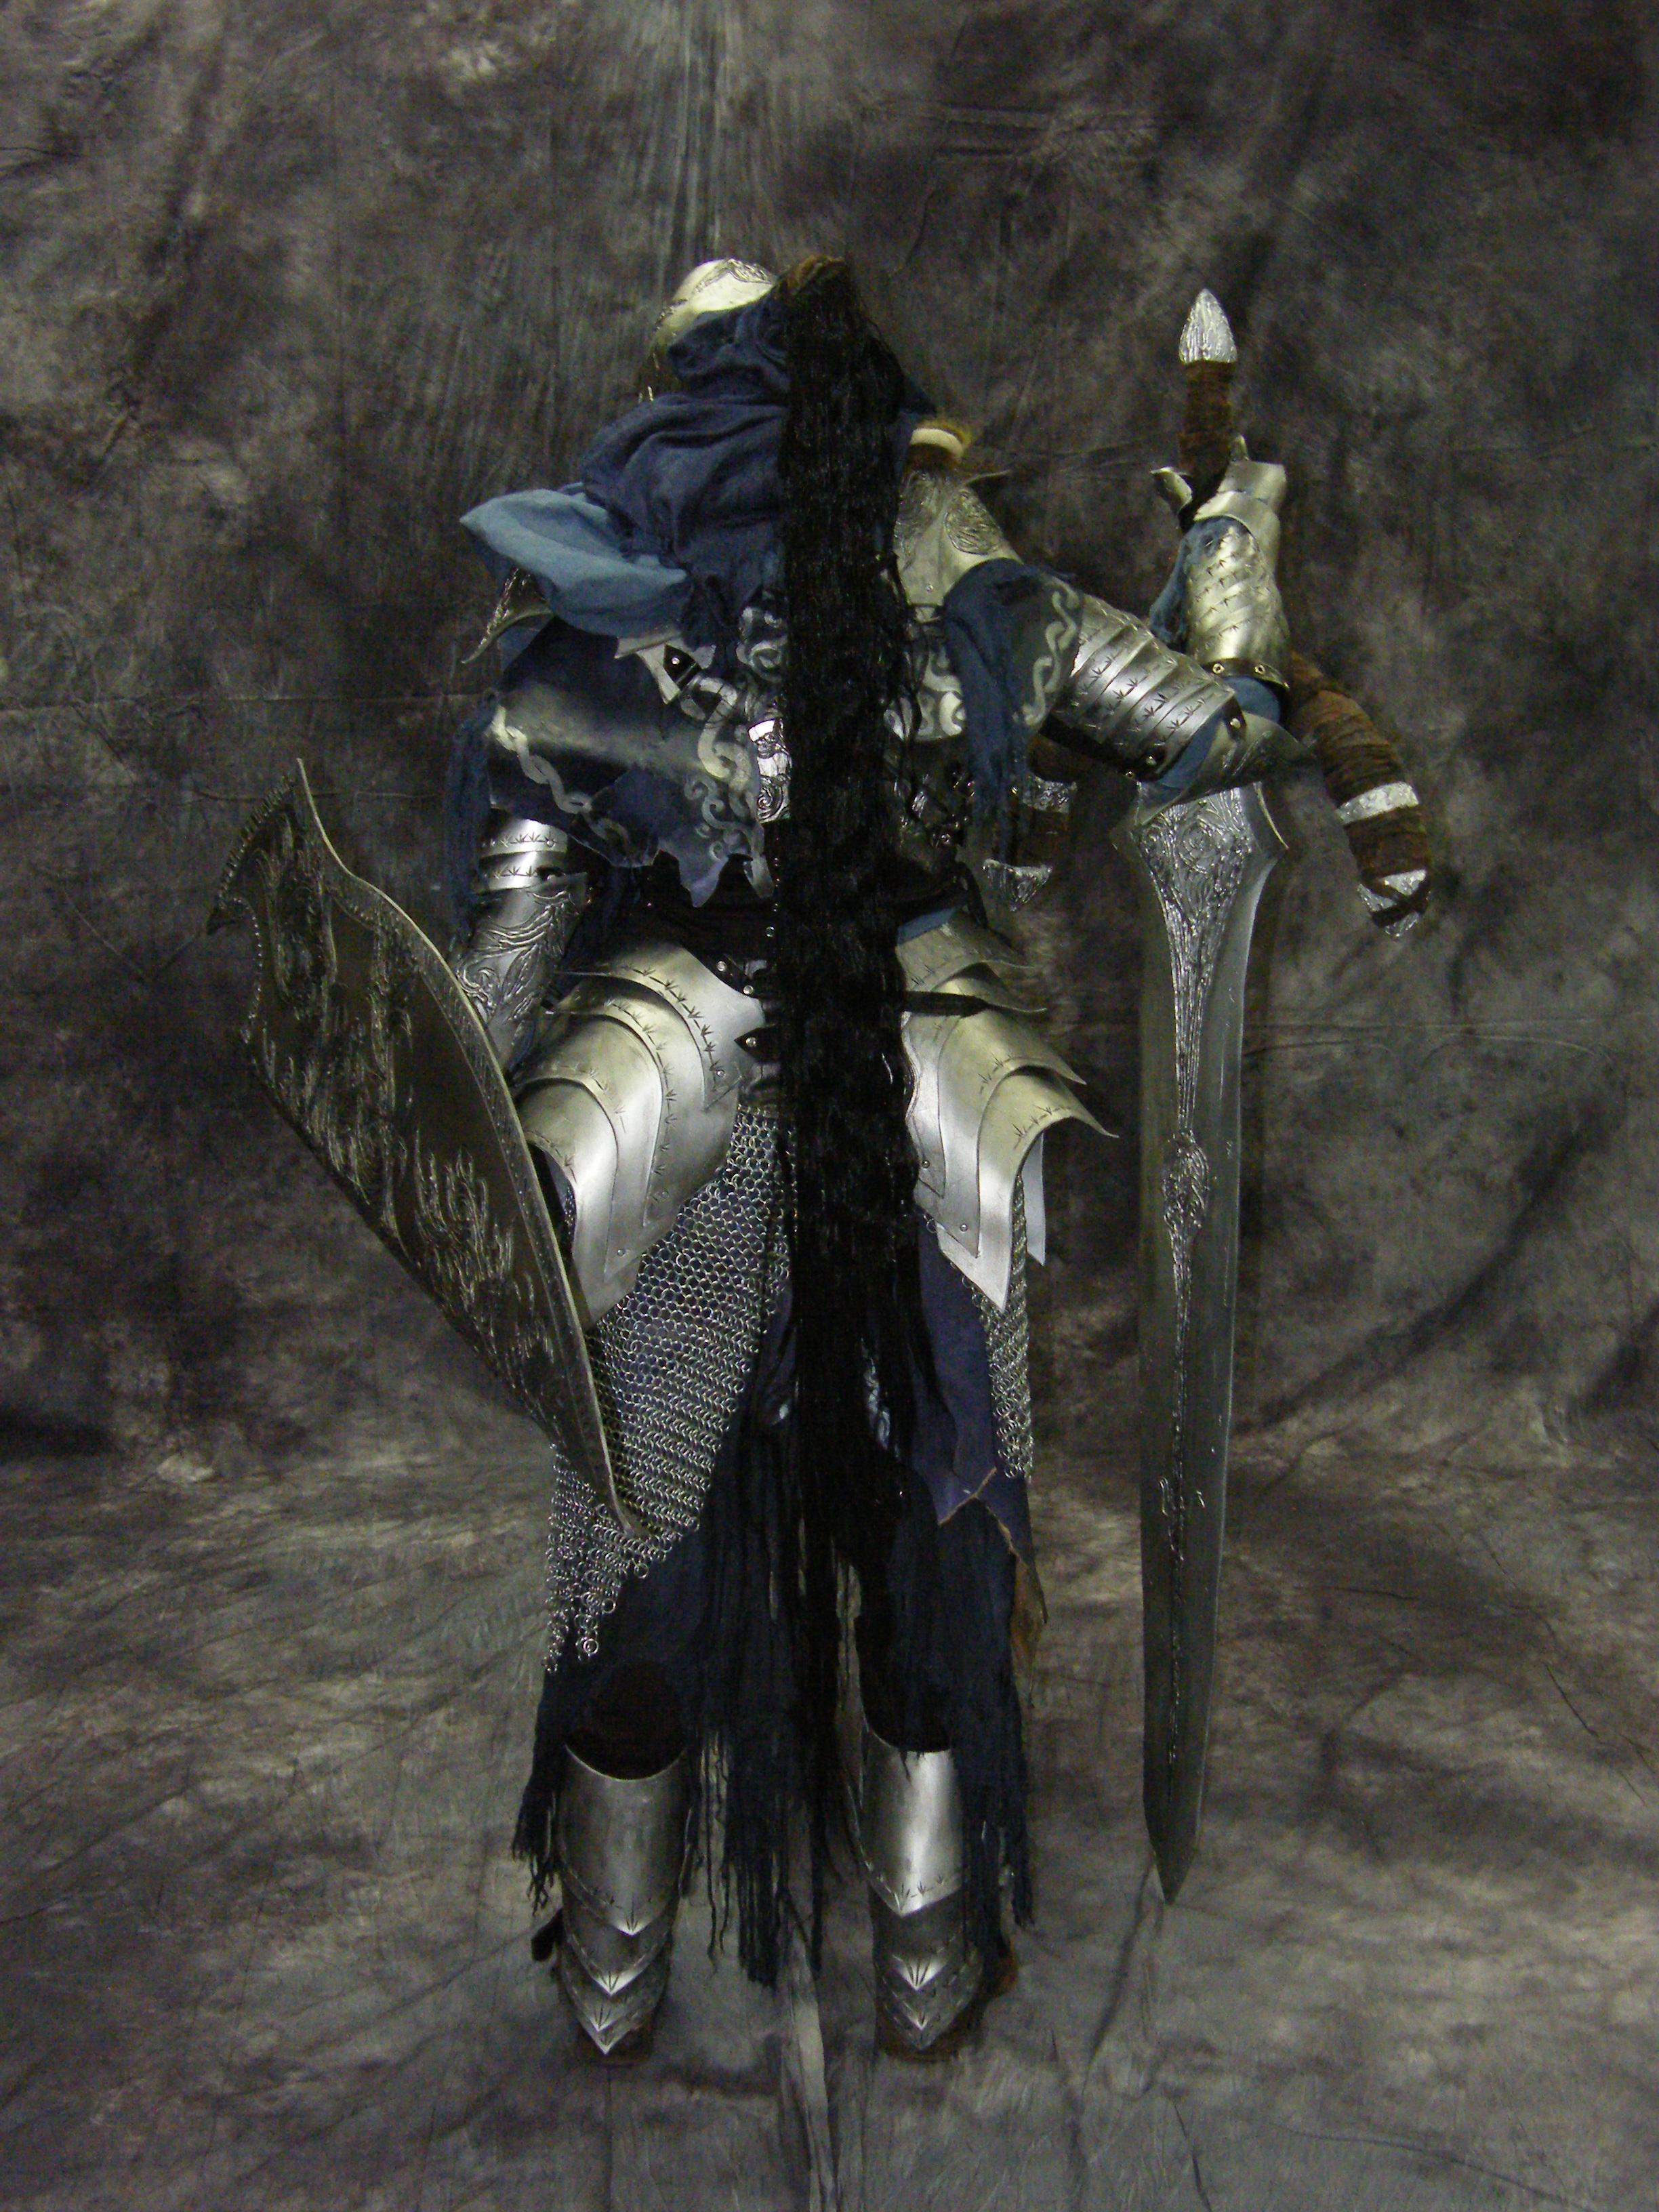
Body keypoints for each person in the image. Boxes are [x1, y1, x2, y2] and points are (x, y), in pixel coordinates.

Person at [443, 255, 1292, 2060]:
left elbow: (502, 967)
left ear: (676, 393)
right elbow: (1217, 728)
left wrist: (438, 1127)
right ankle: (922, 1952)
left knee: (645, 1522)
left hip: (661, 1098)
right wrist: (1233, 549)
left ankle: (614, 1966)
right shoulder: (972, 579)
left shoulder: (590, 595)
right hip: (935, 1097)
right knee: (940, 1506)